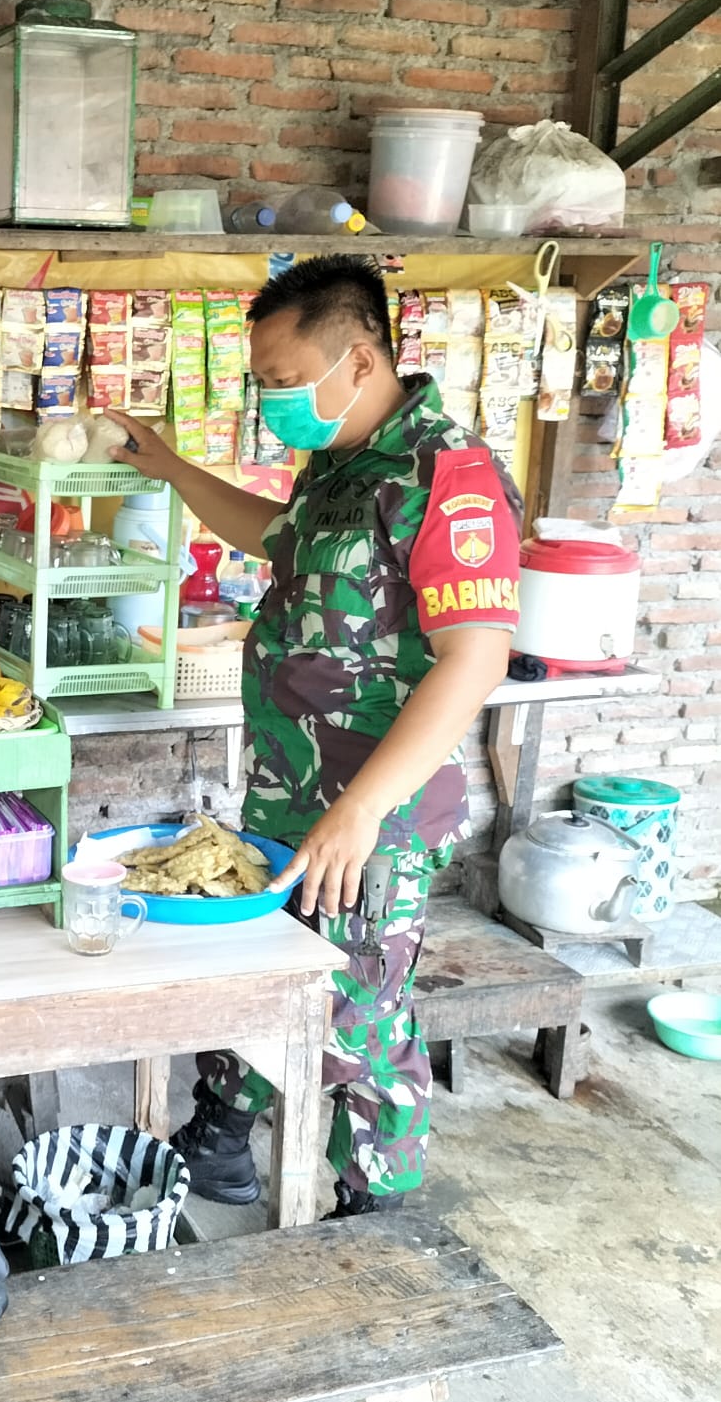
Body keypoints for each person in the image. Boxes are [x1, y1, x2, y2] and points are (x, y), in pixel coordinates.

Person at [108, 253, 523, 1219]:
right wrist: (171, 469)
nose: (273, 401)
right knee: (264, 967)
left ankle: (379, 1204)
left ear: (363, 360)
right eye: (262, 383)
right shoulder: (340, 462)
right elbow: (276, 536)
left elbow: (475, 659)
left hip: (372, 805)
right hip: (292, 789)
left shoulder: (445, 475)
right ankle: (223, 1135)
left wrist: (362, 812)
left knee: (358, 1009)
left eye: (287, 382)